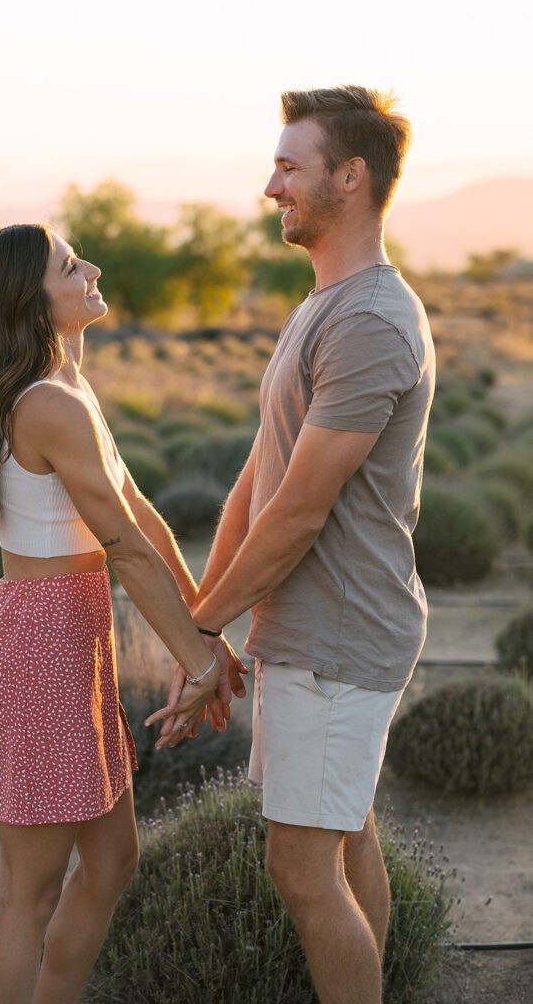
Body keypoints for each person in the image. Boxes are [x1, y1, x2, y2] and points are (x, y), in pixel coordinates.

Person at [154, 86, 435, 1004]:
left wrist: (198, 630)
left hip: (340, 638)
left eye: (289, 165)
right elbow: (255, 478)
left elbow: (300, 512)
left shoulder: (367, 320)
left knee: (301, 870)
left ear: (348, 179)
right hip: (307, 630)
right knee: (343, 838)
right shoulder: (324, 302)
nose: (269, 184)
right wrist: (203, 629)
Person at [0, 222, 247, 1004]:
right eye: (71, 266)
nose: (93, 269)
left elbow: (137, 512)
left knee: (111, 863)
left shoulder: (67, 386)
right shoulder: (44, 405)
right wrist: (200, 661)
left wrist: (202, 627)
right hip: (41, 650)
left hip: (78, 645)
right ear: (30, 304)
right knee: (25, 894)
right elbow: (126, 552)